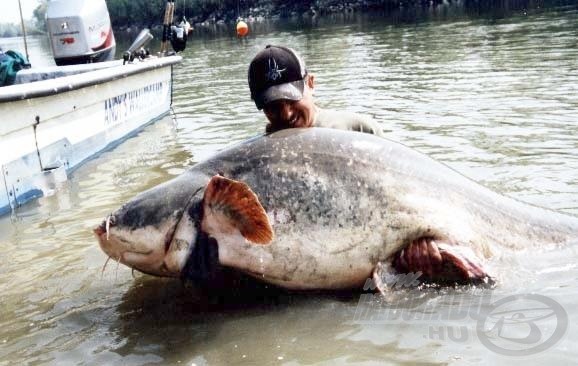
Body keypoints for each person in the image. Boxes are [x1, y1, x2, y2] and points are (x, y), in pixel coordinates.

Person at [248, 45, 384, 136]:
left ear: (311, 83)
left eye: (291, 98)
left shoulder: (362, 130)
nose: (286, 114)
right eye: (273, 107)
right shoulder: (255, 157)